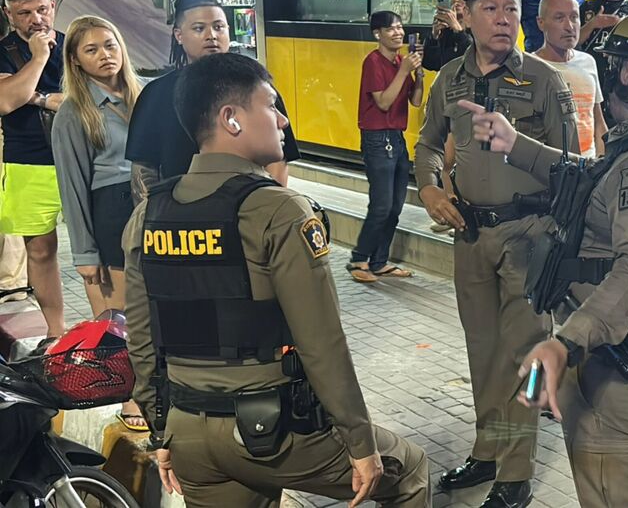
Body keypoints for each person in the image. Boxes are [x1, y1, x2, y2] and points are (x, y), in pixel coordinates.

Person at [122, 53, 429, 508]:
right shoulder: (279, 210)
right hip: (274, 433)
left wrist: (162, 431)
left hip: (187, 432)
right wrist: (359, 442)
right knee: (410, 470)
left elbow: (142, 340)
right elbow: (321, 341)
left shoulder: (148, 213)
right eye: (270, 106)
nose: (283, 120)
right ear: (231, 119)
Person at [460, 8, 628, 508]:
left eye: (616, 64)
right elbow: (593, 179)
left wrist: (565, 345)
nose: (611, 74)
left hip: (625, 370)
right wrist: (516, 145)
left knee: (613, 490)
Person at [414, 0, 578, 508]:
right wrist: (430, 187)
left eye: (511, 8)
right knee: (483, 353)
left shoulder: (544, 80)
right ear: (466, 16)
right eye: (491, 8)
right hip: (469, 236)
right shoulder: (450, 80)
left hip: (529, 237)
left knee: (526, 357)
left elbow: (572, 166)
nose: (504, 19)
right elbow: (428, 143)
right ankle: (488, 449)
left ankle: (516, 471)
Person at [51, 15, 147, 430]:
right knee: (120, 319)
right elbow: (72, 188)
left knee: (158, 311)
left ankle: (160, 391)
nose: (105, 55)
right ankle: (132, 399)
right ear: (75, 60)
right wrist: (85, 254)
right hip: (111, 212)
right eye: (91, 49)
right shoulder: (73, 113)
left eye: (110, 44)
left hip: (154, 208)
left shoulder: (145, 96)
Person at [125, 0, 301, 206]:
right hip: (179, 215)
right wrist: (156, 214)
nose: (212, 36)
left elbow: (278, 162)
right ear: (179, 35)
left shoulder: (259, 88)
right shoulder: (156, 94)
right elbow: (143, 168)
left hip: (249, 212)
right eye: (199, 28)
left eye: (219, 27)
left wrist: (268, 210)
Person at [0, 0, 67, 340]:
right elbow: (6, 100)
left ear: (52, 6)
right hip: (27, 161)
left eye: (42, 9)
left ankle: (109, 329)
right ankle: (56, 334)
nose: (36, 19)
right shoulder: (3, 50)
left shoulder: (76, 44)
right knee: (40, 251)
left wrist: (32, 95)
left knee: (99, 250)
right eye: (24, 13)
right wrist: (40, 58)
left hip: (83, 158)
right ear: (8, 14)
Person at [347, 11, 425, 283]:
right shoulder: (373, 62)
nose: (398, 33)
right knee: (381, 206)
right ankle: (359, 259)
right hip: (377, 139)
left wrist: (419, 74)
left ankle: (379, 262)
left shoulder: (401, 62)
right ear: (377, 34)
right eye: (391, 29)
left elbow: (416, 101)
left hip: (397, 138)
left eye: (400, 27)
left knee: (395, 207)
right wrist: (404, 72)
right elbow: (383, 102)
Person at [534, 0, 607, 158]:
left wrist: (602, 162)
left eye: (574, 17)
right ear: (541, 23)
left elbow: (597, 120)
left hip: (589, 165)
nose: (569, 26)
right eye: (559, 18)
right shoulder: (530, 67)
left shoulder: (588, 62)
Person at [425, 0, 473, 72]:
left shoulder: (479, 25)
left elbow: (475, 59)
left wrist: (457, 29)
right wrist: (434, 37)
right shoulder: (445, 28)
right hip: (447, 80)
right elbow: (431, 64)